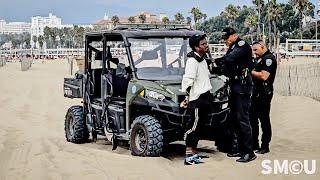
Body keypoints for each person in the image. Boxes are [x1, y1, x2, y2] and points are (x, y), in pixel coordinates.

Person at [213, 27, 256, 163]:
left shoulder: (241, 45)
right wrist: (216, 67)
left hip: (242, 86)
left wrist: (219, 60)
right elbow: (226, 67)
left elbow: (230, 59)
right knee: (235, 119)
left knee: (243, 119)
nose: (225, 40)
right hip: (235, 85)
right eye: (224, 38)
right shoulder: (232, 47)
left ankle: (249, 152)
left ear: (235, 35)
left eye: (227, 37)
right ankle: (240, 149)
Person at [181, 34, 213, 165]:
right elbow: (188, 80)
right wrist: (187, 98)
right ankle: (189, 156)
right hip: (196, 99)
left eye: (206, 43)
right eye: (203, 44)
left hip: (205, 96)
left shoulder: (203, 60)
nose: (206, 46)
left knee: (199, 127)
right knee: (193, 127)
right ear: (195, 47)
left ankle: (194, 153)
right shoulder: (192, 61)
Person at [250, 40, 277, 154]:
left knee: (264, 119)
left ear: (262, 46)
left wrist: (250, 72)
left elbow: (264, 76)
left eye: (256, 50)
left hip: (264, 93)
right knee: (253, 119)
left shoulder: (269, 58)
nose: (255, 52)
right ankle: (254, 144)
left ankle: (265, 145)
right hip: (256, 92)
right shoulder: (260, 59)